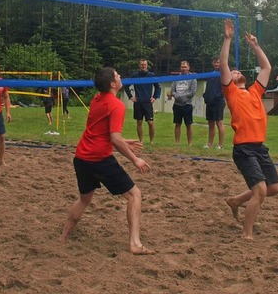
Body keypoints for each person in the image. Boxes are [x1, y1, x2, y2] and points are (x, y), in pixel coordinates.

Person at [60, 67, 155, 255]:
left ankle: (63, 237)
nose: (121, 76)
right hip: (100, 158)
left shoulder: (97, 99)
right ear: (113, 84)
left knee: (84, 198)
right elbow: (114, 138)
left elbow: (100, 129)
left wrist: (124, 141)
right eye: (118, 75)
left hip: (81, 157)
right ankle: (135, 243)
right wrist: (135, 159)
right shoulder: (117, 105)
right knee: (134, 195)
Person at [220, 19, 278, 240]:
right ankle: (247, 234)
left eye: (237, 71)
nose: (236, 72)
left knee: (274, 188)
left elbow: (267, 68)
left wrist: (255, 45)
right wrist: (228, 39)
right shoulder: (232, 93)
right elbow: (224, 65)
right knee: (261, 191)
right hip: (244, 149)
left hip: (259, 147)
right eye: (233, 73)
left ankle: (236, 201)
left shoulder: (255, 91)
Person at [124, 59, 161, 144]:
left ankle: (151, 141)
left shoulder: (151, 75)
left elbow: (158, 87)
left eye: (145, 64)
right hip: (138, 102)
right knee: (139, 122)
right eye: (142, 64)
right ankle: (141, 140)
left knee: (150, 122)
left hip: (148, 102)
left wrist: (155, 97)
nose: (143, 66)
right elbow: (126, 86)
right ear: (139, 65)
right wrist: (131, 97)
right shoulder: (135, 75)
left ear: (147, 65)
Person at [169, 60, 197, 146]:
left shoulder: (193, 78)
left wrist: (181, 97)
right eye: (182, 67)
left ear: (188, 68)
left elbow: (192, 92)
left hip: (187, 104)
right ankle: (177, 142)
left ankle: (190, 143)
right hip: (177, 104)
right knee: (177, 124)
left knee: (188, 124)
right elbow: (172, 91)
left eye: (185, 67)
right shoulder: (177, 78)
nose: (183, 68)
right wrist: (176, 96)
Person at [203, 56, 225, 149]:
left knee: (219, 122)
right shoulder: (210, 74)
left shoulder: (223, 74)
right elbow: (208, 87)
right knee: (210, 123)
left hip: (218, 101)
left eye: (218, 62)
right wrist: (206, 96)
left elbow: (224, 88)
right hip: (210, 101)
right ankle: (210, 143)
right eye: (215, 62)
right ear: (212, 63)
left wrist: (218, 96)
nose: (216, 64)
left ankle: (220, 145)